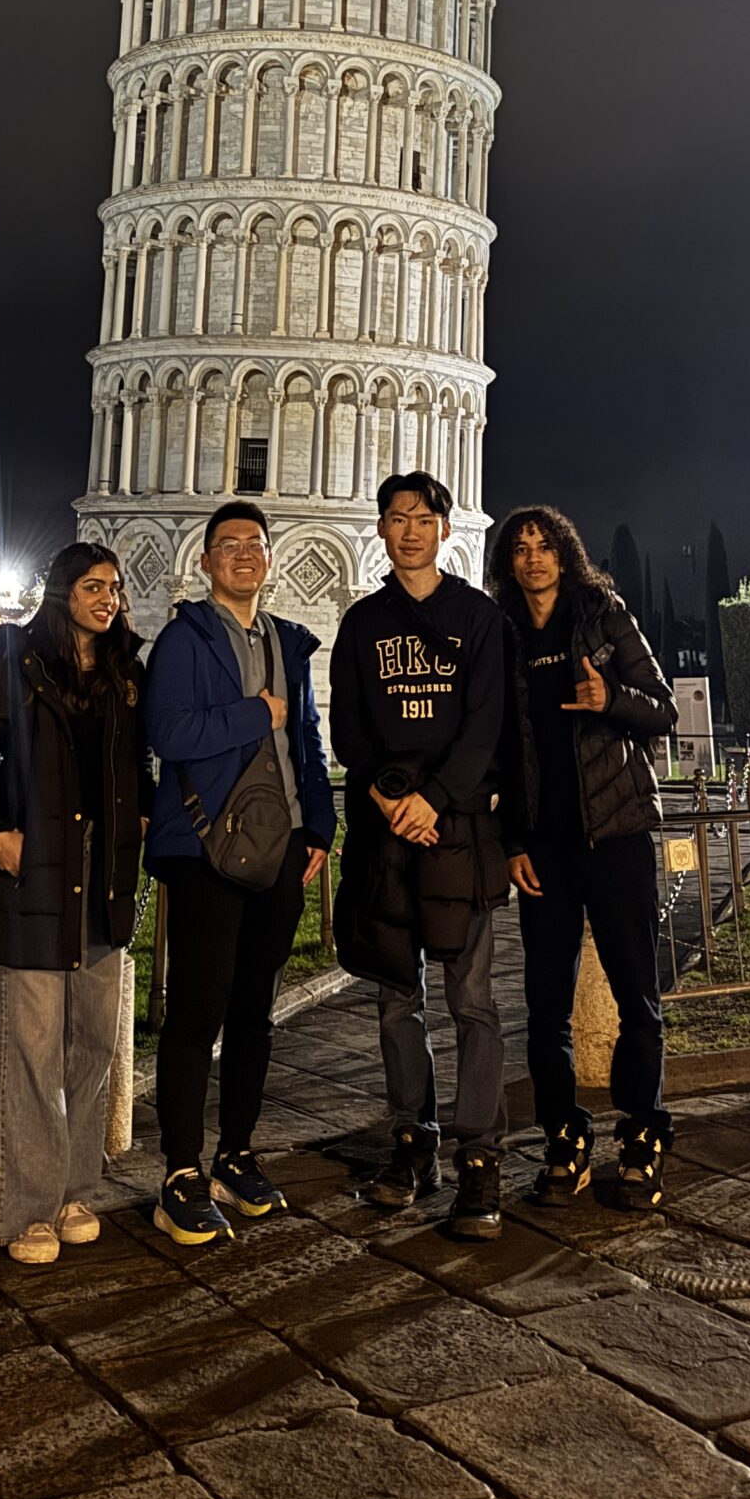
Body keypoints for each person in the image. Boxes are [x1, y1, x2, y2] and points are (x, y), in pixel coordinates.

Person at [0, 543, 153, 1266]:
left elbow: (139, 768)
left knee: (91, 1045)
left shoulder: (127, 675)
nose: (109, 598)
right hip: (34, 873)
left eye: (116, 588)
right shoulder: (19, 670)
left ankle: (71, 1191)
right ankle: (24, 1211)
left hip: (104, 877)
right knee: (31, 1052)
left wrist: (145, 815)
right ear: (63, 593)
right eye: (94, 586)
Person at [141, 500, 336, 1248]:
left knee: (255, 1009)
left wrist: (317, 825)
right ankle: (181, 1171)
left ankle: (237, 1154)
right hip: (205, 848)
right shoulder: (184, 641)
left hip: (281, 846)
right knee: (198, 1008)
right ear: (205, 560)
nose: (244, 555)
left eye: (254, 544)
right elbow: (169, 732)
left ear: (270, 557)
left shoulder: (288, 640)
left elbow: (309, 742)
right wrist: (256, 714)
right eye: (229, 546)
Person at [332, 472, 511, 1240]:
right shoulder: (362, 623)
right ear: (380, 529)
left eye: (423, 517)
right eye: (396, 517)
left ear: (444, 529)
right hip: (387, 831)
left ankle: (481, 1153)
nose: (409, 529)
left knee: (473, 1002)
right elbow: (349, 730)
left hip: (456, 832)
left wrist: (433, 800)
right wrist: (386, 795)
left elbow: (485, 727)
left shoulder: (479, 619)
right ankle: (413, 1139)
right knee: (396, 999)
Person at [491, 507, 678, 1213]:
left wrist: (611, 698)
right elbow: (503, 749)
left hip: (618, 832)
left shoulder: (603, 616)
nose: (534, 558)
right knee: (545, 1006)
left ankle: (641, 1133)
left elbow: (663, 709)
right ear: (508, 563)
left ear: (565, 555)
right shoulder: (503, 634)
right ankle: (563, 1137)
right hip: (546, 848)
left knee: (638, 996)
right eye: (521, 548)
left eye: (545, 546)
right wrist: (512, 841)